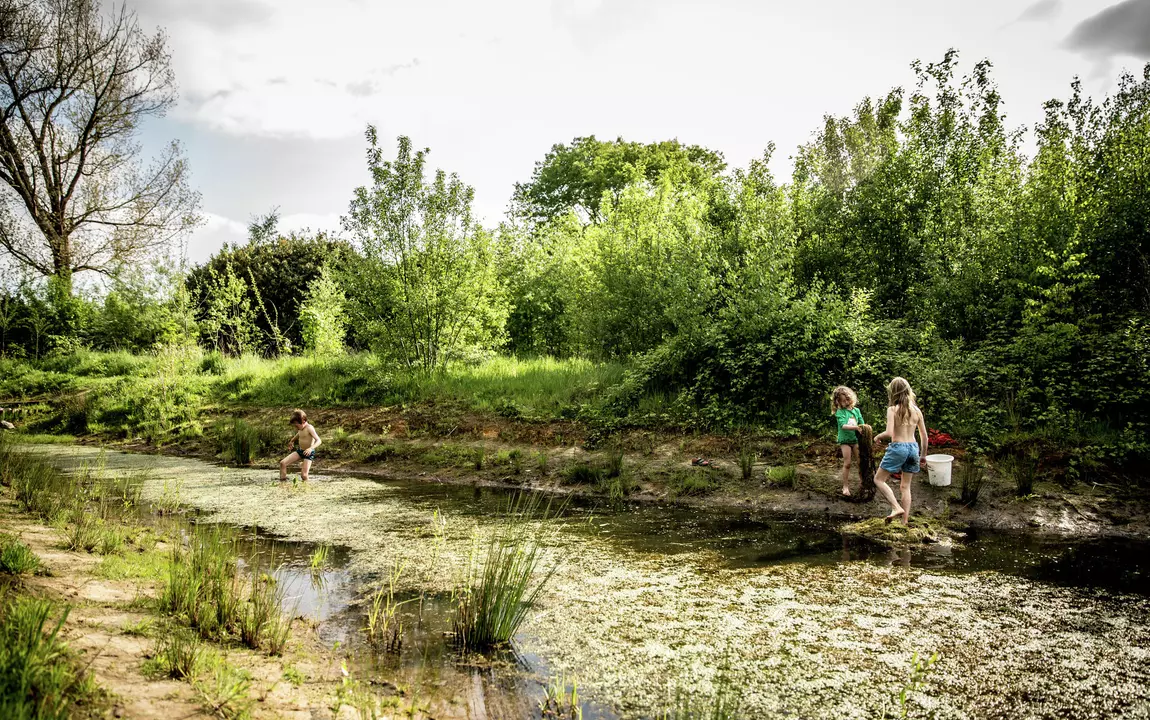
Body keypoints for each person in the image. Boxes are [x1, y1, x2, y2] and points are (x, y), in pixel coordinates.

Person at [873, 377, 928, 525]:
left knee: (878, 479)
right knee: (905, 486)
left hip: (899, 447)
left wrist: (877, 436)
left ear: (893, 392)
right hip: (913, 448)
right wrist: (923, 456)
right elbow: (924, 436)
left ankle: (896, 507)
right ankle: (904, 522)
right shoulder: (917, 411)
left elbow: (889, 433)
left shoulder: (892, 409)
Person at [831, 386, 864, 496]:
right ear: (838, 402)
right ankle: (845, 487)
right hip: (845, 441)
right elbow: (843, 426)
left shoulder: (856, 411)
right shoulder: (840, 412)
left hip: (855, 440)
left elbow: (862, 424)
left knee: (860, 463)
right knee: (848, 463)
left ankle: (863, 483)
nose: (845, 403)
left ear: (851, 398)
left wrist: (864, 430)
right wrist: (856, 428)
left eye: (847, 400)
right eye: (842, 401)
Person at [280, 409, 321, 482]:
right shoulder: (300, 428)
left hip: (308, 453)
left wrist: (311, 448)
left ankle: (307, 487)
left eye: (296, 425)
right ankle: (283, 482)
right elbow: (299, 434)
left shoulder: (309, 428)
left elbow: (319, 440)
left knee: (304, 476)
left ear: (303, 421)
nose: (296, 427)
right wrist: (292, 441)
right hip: (300, 451)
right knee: (283, 463)